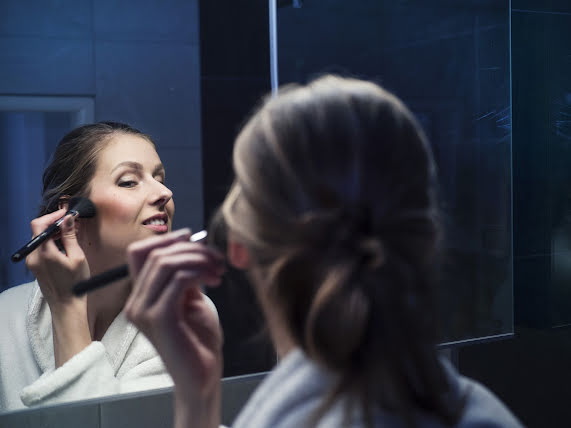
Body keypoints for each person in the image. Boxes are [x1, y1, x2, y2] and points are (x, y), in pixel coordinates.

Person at [124, 76, 523, 427]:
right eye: (128, 180)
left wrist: (196, 401)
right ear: (425, 235)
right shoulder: (479, 413)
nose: (161, 193)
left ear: (239, 247)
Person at [0, 121, 216, 412]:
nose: (164, 192)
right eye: (129, 181)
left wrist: (68, 307)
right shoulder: (4, 317)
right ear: (71, 215)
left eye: (159, 177)